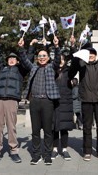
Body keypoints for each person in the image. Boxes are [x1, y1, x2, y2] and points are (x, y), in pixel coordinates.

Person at [0, 37, 28, 164]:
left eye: (14, 58)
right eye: (9, 58)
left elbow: (26, 60)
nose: (11, 59)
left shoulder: (20, 71)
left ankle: (14, 151)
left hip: (12, 100)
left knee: (11, 126)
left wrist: (22, 48)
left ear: (17, 61)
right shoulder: (2, 69)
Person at [69, 31, 98, 161]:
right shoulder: (82, 65)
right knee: (87, 126)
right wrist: (72, 46)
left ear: (96, 55)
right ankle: (87, 151)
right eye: (89, 54)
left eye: (93, 54)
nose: (91, 55)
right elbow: (75, 60)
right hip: (86, 99)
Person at [19, 36, 61, 165]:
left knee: (48, 131)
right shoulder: (33, 67)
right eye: (40, 56)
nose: (42, 57)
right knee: (35, 131)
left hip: (47, 102)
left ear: (48, 58)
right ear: (37, 58)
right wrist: (21, 48)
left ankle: (47, 155)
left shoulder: (51, 67)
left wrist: (57, 46)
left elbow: (57, 60)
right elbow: (24, 60)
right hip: (35, 102)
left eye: (44, 56)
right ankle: (36, 155)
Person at [51, 53, 74, 161]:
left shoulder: (69, 71)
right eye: (59, 59)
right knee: (54, 127)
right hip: (54, 102)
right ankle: (54, 149)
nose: (61, 61)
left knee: (64, 128)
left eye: (63, 60)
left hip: (66, 102)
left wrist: (74, 81)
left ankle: (64, 149)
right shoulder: (52, 71)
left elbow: (75, 68)